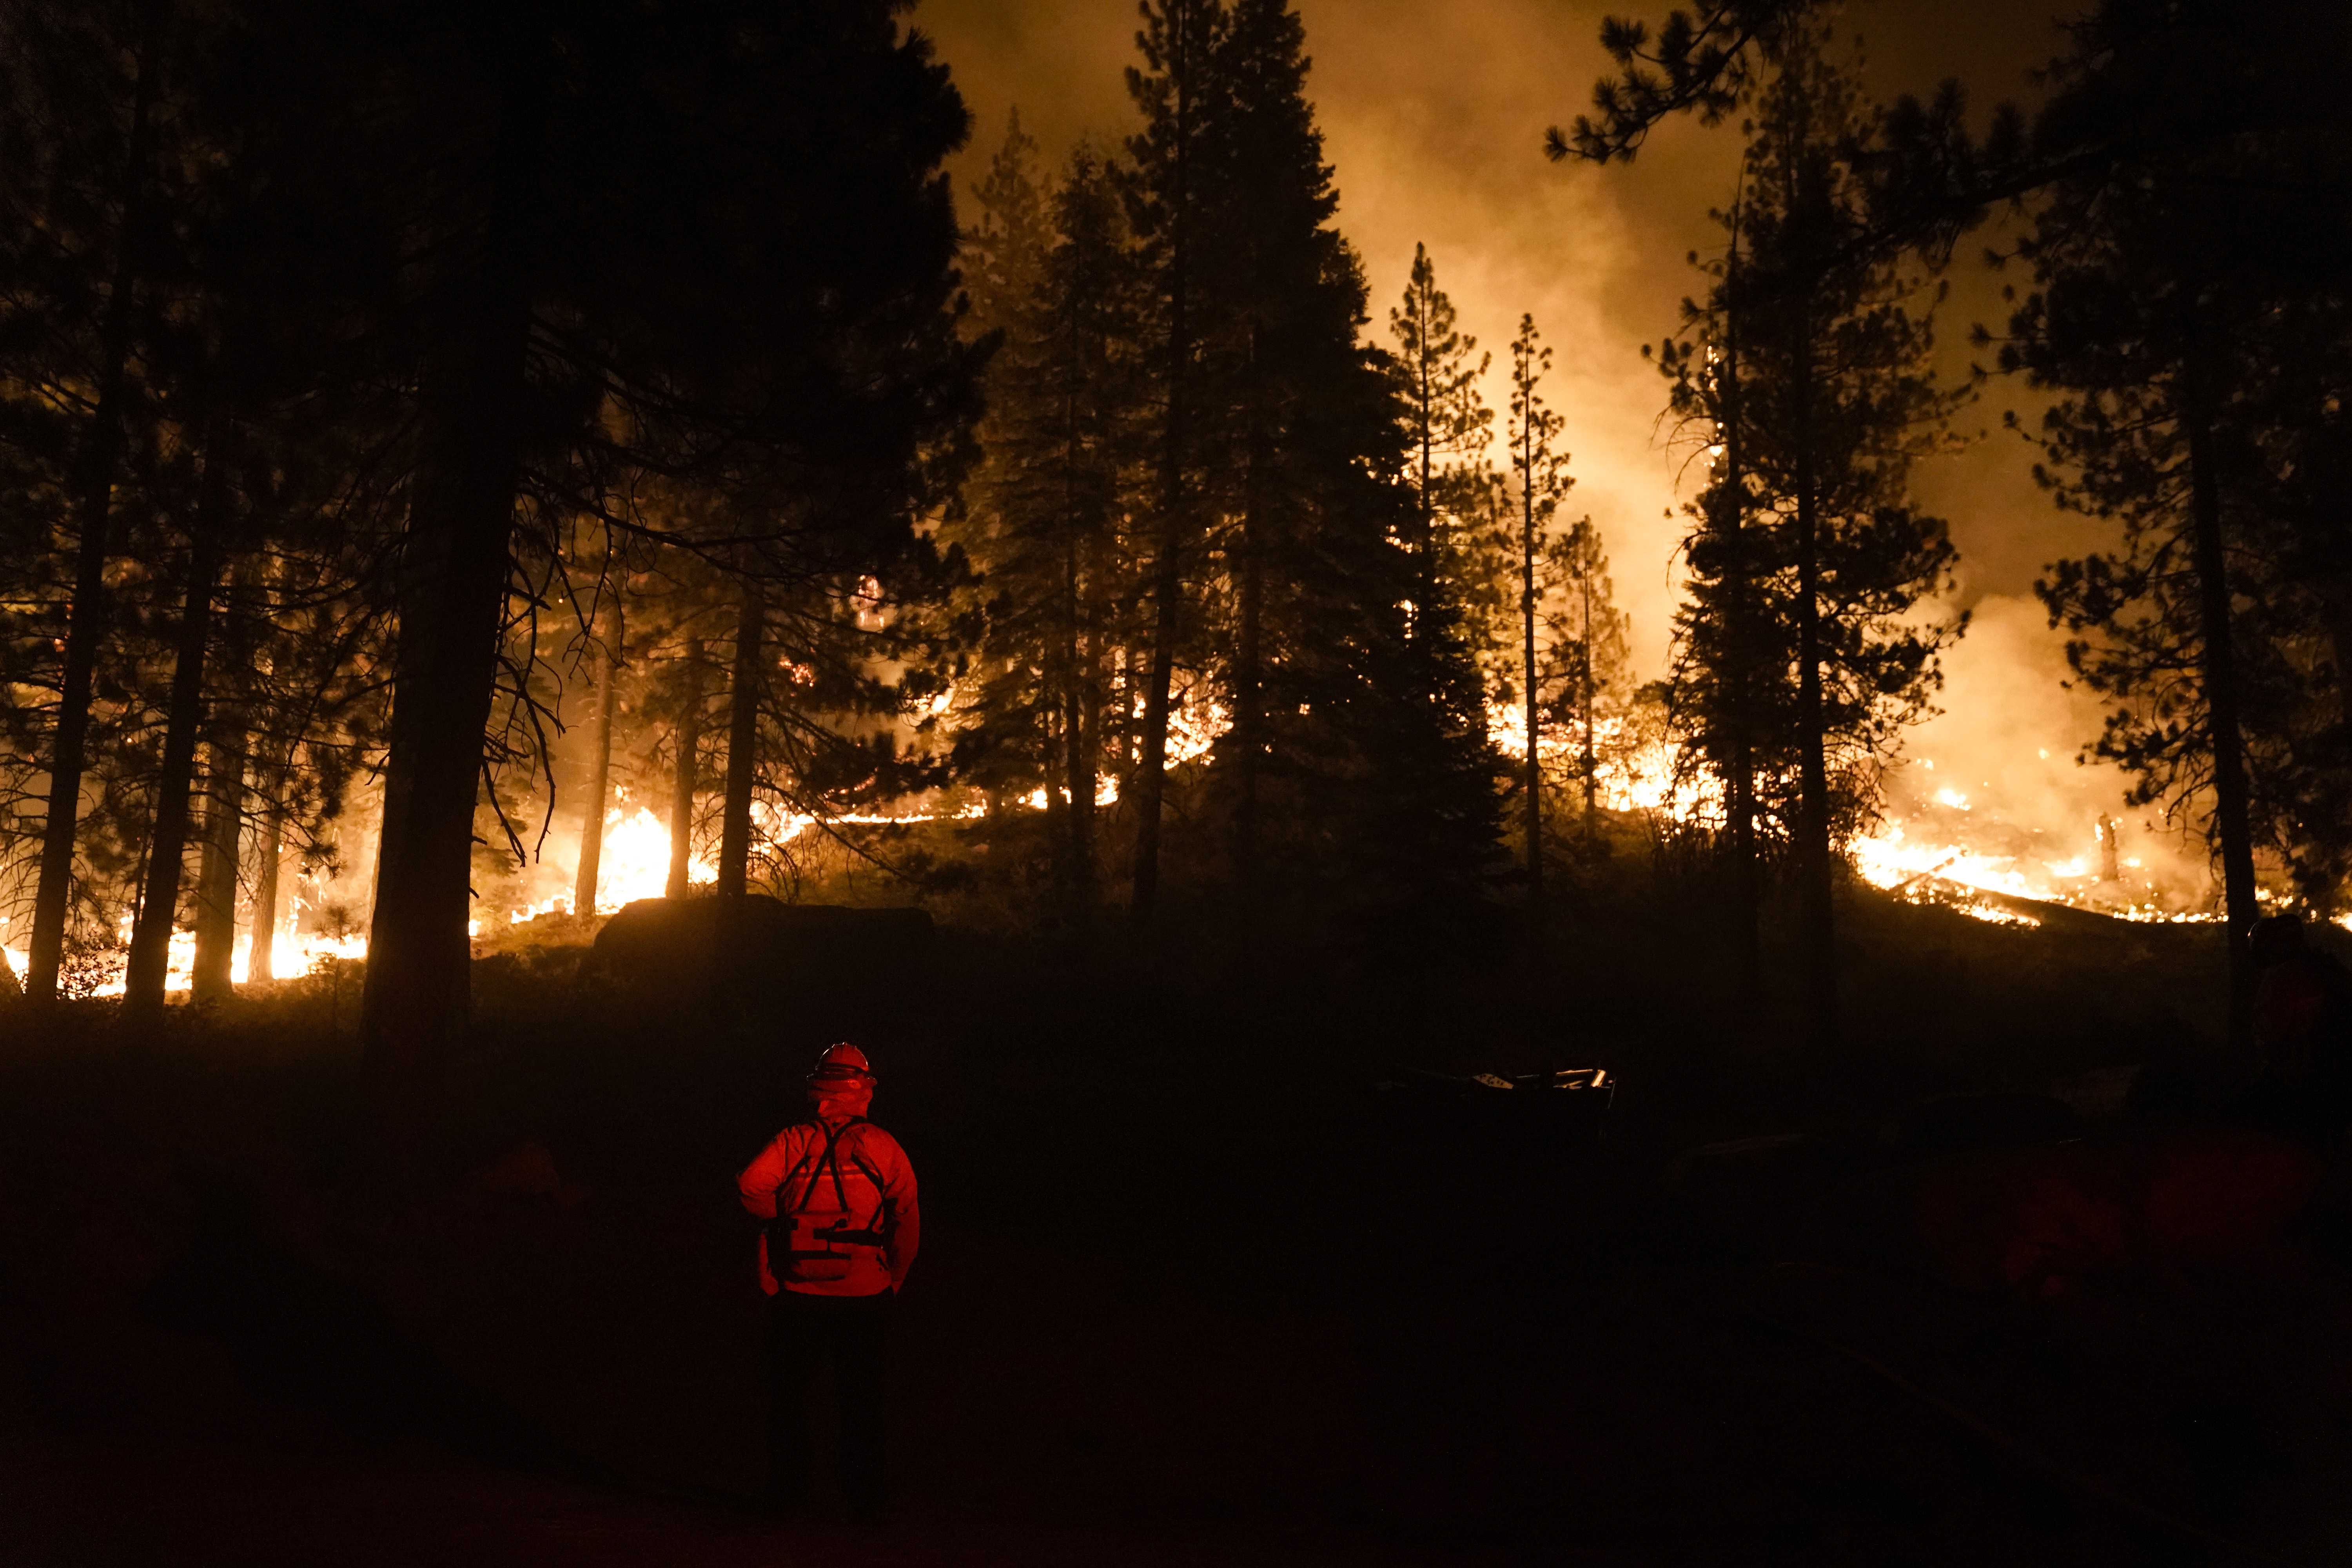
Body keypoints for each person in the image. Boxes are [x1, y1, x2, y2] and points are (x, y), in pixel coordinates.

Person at [738, 1042, 920, 1522]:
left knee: (790, 1397)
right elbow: (907, 1218)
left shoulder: (792, 1140)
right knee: (862, 1398)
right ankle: (867, 1500)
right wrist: (894, 1277)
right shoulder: (882, 1145)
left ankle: (786, 1495)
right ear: (861, 1089)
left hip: (796, 1294)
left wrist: (787, 1220)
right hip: (865, 1294)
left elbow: (750, 1186)